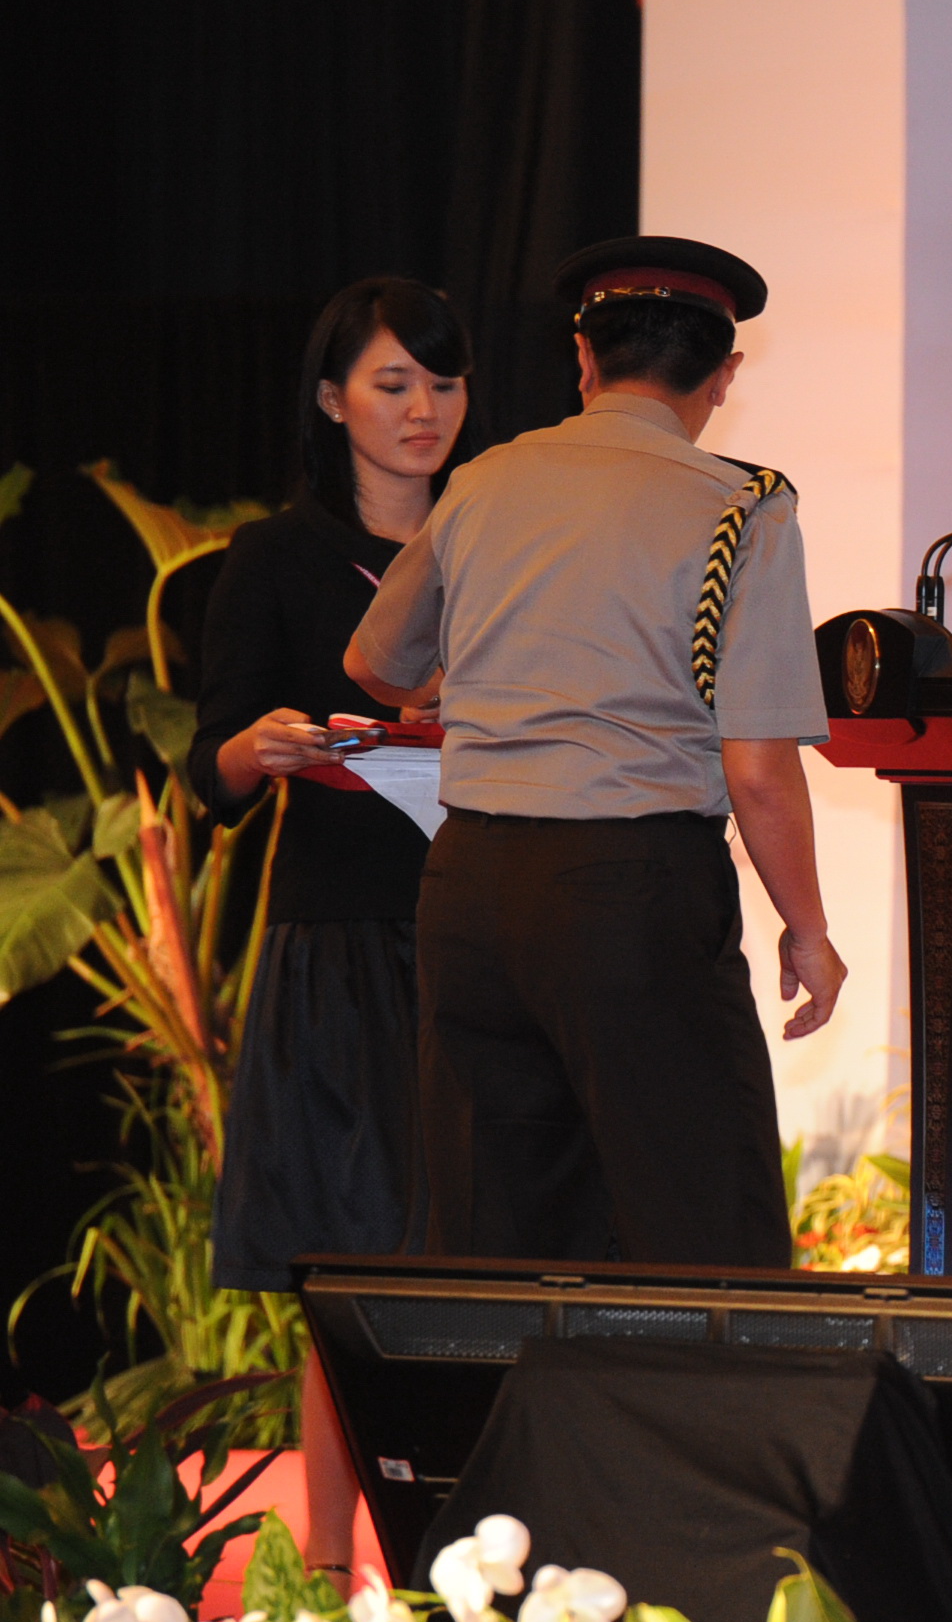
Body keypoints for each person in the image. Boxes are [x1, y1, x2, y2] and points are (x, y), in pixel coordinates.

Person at [347, 235, 842, 1267]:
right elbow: (757, 770)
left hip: (471, 888)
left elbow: (375, 664)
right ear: (723, 375)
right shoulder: (743, 504)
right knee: (703, 1230)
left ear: (583, 357)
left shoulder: (483, 481)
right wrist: (807, 931)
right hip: (632, 890)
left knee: (493, 1236)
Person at [190, 276, 476, 1291]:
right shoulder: (275, 556)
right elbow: (212, 767)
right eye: (393, 384)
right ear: (331, 400)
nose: (424, 409)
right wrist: (259, 747)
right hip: (342, 934)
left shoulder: (499, 546)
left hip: (486, 922)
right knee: (351, 1257)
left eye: (445, 383)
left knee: (482, 1241)